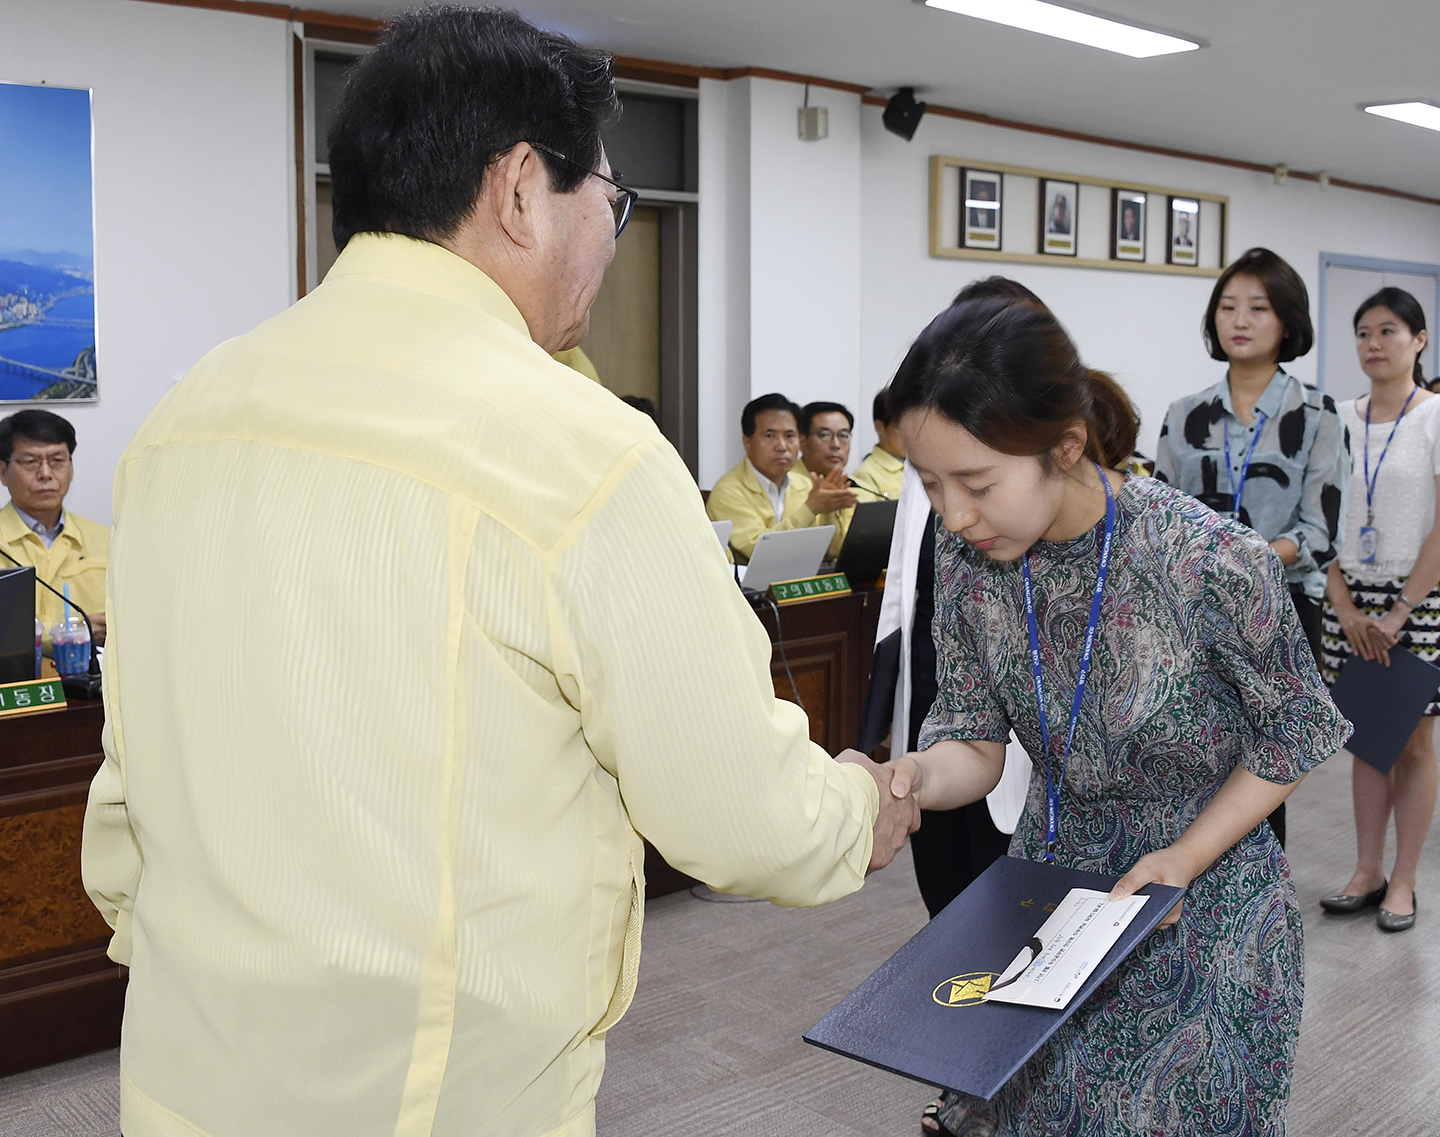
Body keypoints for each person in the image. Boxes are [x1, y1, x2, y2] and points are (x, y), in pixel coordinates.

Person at [80, 11, 918, 1137]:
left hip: (187, 1075)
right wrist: (860, 807)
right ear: (523, 188)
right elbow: (740, 812)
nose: (612, 240)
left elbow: (127, 784)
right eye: (610, 203)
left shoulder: (184, 418)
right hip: (431, 1097)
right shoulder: (580, 448)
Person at [883, 291, 1349, 1136]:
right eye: (930, 483)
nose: (952, 514)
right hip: (1048, 904)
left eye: (978, 483)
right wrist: (909, 775)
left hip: (1204, 906)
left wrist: (1185, 855)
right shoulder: (967, 555)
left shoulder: (1208, 558)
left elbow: (1295, 728)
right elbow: (975, 737)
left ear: (1064, 445)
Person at [1154, 246, 1349, 848]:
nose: (1239, 320)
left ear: (1287, 323)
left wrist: (1249, 559)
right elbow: (1160, 517)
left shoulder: (1317, 412)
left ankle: (1261, 902)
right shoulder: (1185, 415)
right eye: (1227, 307)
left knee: (1266, 761)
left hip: (1281, 607)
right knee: (1193, 756)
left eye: (1258, 308)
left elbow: (1321, 530)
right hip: (1191, 607)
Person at [1320, 286, 1438, 933]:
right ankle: (1366, 871)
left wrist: (1399, 610)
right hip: (1349, 598)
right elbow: (1322, 516)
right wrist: (1342, 603)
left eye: (1388, 330)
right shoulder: (1337, 416)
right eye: (1363, 331)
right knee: (1367, 740)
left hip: (1418, 598)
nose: (1373, 343)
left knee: (1415, 743)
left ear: (1419, 340)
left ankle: (1406, 879)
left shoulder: (1435, 417)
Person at [0, 409, 107, 646]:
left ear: (70, 467)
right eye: (30, 462)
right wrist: (73, 633)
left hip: (93, 679)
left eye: (57, 461)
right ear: (3, 472)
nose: (46, 474)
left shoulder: (106, 540)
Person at [706, 393, 856, 562]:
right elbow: (760, 552)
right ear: (747, 442)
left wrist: (828, 511)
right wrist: (811, 508)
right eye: (770, 436)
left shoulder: (805, 485)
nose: (782, 446)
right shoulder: (728, 491)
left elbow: (832, 552)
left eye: (790, 436)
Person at [850, 387, 906, 501]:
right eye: (902, 428)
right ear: (880, 426)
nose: (911, 436)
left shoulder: (924, 466)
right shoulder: (866, 476)